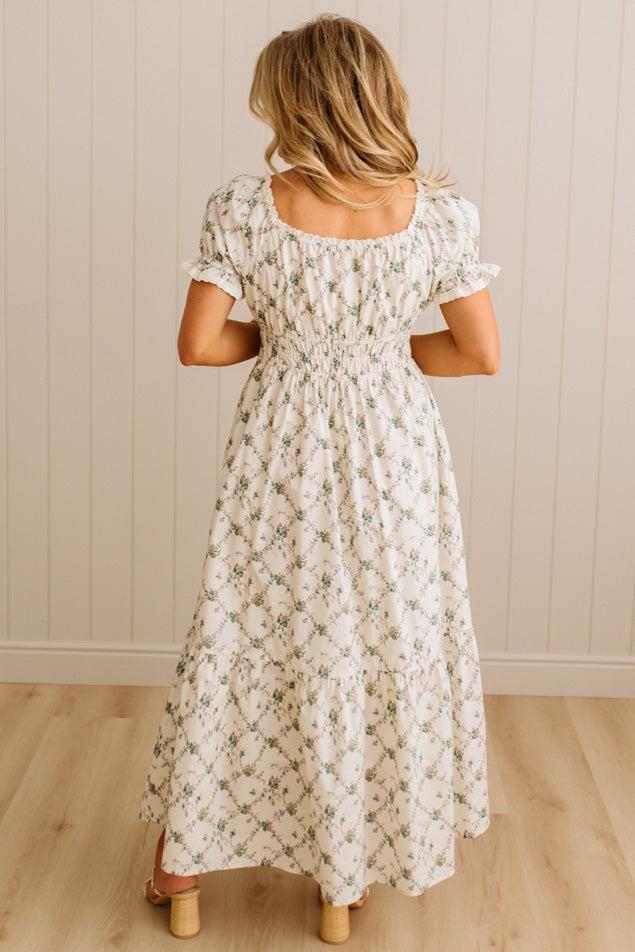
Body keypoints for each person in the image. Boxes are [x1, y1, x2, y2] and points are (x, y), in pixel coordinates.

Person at [138, 12, 501, 944]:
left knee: (247, 625)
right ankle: (342, 883)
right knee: (375, 635)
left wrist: (290, 338)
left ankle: (182, 878)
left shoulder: (244, 206)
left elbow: (198, 345)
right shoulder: (440, 213)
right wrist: (373, 346)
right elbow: (478, 355)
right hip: (394, 453)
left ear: (296, 101)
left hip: (282, 445)